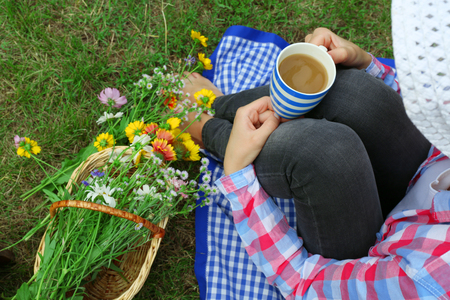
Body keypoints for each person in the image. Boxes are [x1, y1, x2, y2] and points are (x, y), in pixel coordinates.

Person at [182, 27, 432, 260]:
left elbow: (305, 283)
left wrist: (237, 172)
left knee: (321, 152)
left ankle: (207, 133)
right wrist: (366, 64)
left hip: (385, 259)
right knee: (350, 90)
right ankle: (219, 105)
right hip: (428, 175)